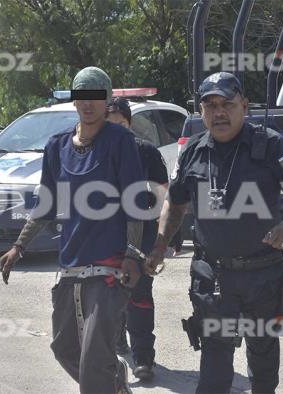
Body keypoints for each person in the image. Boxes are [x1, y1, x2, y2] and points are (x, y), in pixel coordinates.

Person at [144, 72, 283, 394]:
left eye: (227, 104)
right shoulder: (193, 150)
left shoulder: (270, 143)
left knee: (263, 357)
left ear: (244, 107)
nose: (219, 113)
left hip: (263, 274)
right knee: (214, 360)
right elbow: (175, 205)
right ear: (201, 110)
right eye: (210, 106)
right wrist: (159, 246)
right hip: (213, 275)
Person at [0, 67, 149, 394]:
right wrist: (18, 247)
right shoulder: (57, 146)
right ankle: (114, 381)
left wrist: (133, 254)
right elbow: (46, 204)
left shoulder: (120, 141)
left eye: (96, 96)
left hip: (109, 265)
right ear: (74, 100)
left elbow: (135, 201)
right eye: (82, 96)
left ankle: (106, 381)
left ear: (107, 100)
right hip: (71, 264)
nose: (88, 103)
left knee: (95, 359)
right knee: (64, 348)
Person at [106, 97, 169, 380]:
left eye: (119, 123)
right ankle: (118, 340)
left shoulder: (146, 153)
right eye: (109, 125)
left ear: (129, 123)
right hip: (106, 236)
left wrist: (164, 239)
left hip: (141, 237)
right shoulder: (98, 153)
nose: (115, 129)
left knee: (140, 295)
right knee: (109, 292)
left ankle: (144, 357)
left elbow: (162, 196)